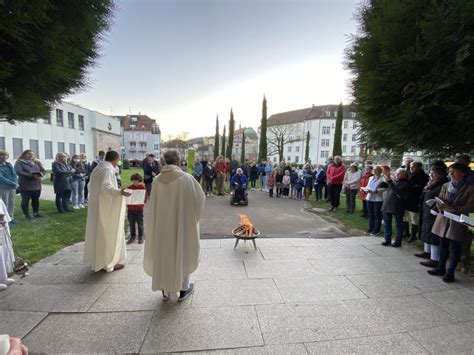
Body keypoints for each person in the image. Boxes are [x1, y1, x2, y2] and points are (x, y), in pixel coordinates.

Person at [144, 149, 205, 301]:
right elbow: (200, 199)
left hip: (162, 227)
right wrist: (192, 219)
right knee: (183, 251)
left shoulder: (157, 180)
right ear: (178, 161)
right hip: (181, 225)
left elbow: (153, 206)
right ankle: (183, 289)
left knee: (164, 253)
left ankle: (165, 289)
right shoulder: (187, 178)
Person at [83, 151, 132, 273]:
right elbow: (106, 187)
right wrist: (120, 192)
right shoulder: (108, 170)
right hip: (104, 206)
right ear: (116, 160)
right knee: (106, 232)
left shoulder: (98, 167)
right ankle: (108, 262)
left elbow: (90, 185)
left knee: (98, 232)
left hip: (96, 204)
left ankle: (97, 260)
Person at [428, 163, 474, 283]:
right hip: (444, 219)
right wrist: (440, 204)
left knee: (455, 247)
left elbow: (471, 206)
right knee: (443, 245)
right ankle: (441, 267)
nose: (450, 174)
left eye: (453, 172)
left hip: (458, 221)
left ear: (462, 173)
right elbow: (441, 198)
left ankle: (450, 272)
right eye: (449, 172)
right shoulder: (446, 185)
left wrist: (455, 209)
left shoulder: (470, 188)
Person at [416, 165, 449, 268]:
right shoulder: (431, 183)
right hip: (426, 211)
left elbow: (442, 199)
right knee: (426, 231)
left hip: (434, 213)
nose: (430, 175)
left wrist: (434, 208)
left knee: (433, 234)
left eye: (433, 173)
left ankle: (434, 258)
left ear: (439, 175)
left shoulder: (442, 184)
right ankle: (427, 251)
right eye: (430, 173)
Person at [381, 168, 410, 247]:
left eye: (399, 173)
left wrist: (390, 181)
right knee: (387, 224)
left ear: (404, 175)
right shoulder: (394, 181)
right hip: (388, 205)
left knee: (399, 225)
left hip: (398, 207)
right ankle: (387, 240)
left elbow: (397, 191)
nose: (397, 175)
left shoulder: (405, 183)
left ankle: (398, 241)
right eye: (397, 173)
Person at [14, 150, 45, 219]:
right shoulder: (19, 162)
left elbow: (43, 170)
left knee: (35, 200)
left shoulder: (36, 162)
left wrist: (40, 175)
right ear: (24, 155)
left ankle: (35, 213)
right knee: (25, 201)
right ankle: (26, 214)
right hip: (25, 185)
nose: (31, 155)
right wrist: (31, 175)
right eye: (29, 154)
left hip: (36, 185)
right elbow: (18, 171)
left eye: (33, 154)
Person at [405, 162, 429, 242]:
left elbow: (420, 188)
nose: (411, 168)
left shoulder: (423, 176)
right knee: (405, 215)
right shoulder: (409, 174)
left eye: (413, 167)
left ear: (419, 167)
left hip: (416, 200)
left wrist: (412, 188)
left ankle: (413, 234)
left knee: (415, 217)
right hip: (407, 199)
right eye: (411, 166)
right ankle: (406, 232)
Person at [365, 165, 387, 235]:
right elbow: (368, 186)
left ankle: (376, 230)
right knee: (371, 214)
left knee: (377, 215)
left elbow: (385, 188)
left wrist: (377, 191)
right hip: (370, 198)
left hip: (378, 199)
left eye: (377, 169)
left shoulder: (383, 179)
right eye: (374, 169)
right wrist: (365, 189)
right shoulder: (371, 178)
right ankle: (370, 228)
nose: (375, 171)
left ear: (380, 171)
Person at [126, 173, 147, 244]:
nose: (135, 182)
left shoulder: (142, 188)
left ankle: (141, 236)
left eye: (136, 181)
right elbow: (126, 198)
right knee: (131, 223)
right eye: (134, 181)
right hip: (131, 209)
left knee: (140, 223)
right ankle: (132, 236)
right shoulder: (129, 188)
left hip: (139, 209)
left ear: (139, 181)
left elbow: (145, 199)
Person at [0, 150, 18, 223]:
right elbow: (1, 178)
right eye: (2, 155)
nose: (4, 157)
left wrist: (16, 182)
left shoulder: (8, 164)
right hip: (3, 187)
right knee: (5, 203)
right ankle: (4, 219)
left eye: (6, 155)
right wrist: (13, 183)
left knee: (12, 202)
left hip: (12, 186)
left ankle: (11, 218)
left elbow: (14, 174)